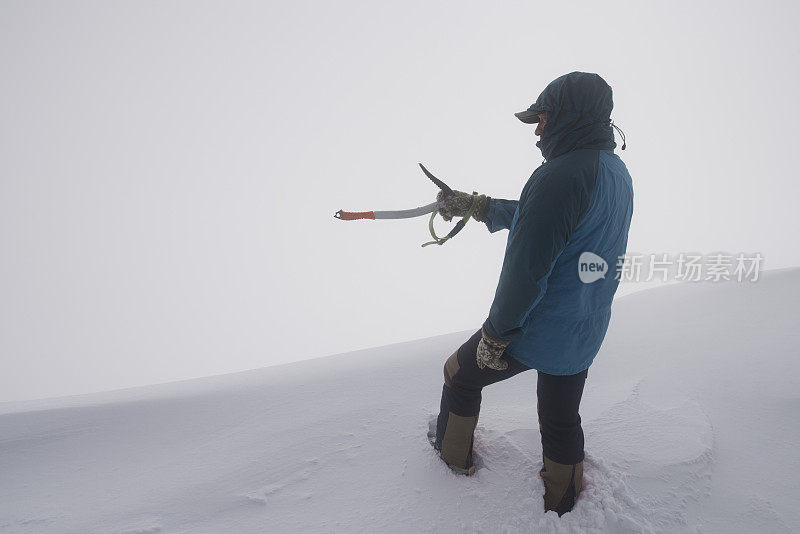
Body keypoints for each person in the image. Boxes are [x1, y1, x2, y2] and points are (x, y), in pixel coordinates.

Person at [430, 72, 634, 516]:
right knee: (561, 419)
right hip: (584, 328)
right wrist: (479, 206)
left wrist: (496, 335)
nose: (537, 131)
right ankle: (564, 504)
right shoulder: (613, 171)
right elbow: (553, 220)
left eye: (541, 118)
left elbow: (527, 270)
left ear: (565, 116)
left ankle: (450, 466)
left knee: (460, 376)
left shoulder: (558, 175)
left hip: (536, 325)